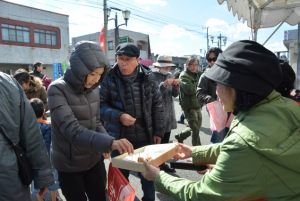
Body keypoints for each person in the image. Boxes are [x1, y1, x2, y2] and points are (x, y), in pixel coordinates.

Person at [141, 40, 300, 200]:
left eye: (218, 84)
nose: (216, 92)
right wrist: (195, 152)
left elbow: (201, 194)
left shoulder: (244, 143)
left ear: (236, 87)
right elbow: (241, 149)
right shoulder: (286, 106)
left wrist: (159, 177)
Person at [47, 41, 134, 201]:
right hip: (69, 163)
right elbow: (71, 129)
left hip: (94, 160)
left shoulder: (94, 90)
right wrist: (109, 143)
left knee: (100, 197)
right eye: (93, 74)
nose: (96, 79)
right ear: (80, 70)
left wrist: (105, 142)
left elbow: (96, 122)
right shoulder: (57, 89)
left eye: (100, 74)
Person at [100, 43, 165, 201]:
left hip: (145, 136)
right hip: (119, 138)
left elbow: (157, 105)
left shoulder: (148, 77)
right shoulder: (109, 77)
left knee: (148, 177)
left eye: (128, 59)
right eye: (120, 58)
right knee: (121, 179)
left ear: (137, 60)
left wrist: (158, 131)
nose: (123, 63)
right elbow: (99, 106)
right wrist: (119, 116)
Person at [0, 72, 54, 201]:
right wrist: (42, 174)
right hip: (10, 175)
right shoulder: (7, 83)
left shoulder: (10, 83)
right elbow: (30, 132)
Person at [30, 98, 60, 201]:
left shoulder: (27, 129)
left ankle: (40, 199)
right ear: (43, 112)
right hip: (50, 160)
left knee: (37, 184)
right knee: (53, 181)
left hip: (35, 163)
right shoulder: (50, 126)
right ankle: (53, 198)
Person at [152, 55, 179, 172]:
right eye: (165, 67)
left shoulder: (171, 75)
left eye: (169, 67)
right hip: (157, 114)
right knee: (156, 142)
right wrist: (163, 85)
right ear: (159, 66)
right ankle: (154, 164)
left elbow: (175, 94)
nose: (167, 69)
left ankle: (162, 164)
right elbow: (153, 94)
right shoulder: (152, 76)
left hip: (168, 113)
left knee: (165, 141)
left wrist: (176, 85)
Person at [196, 47, 228, 143]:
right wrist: (213, 101)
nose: (212, 62)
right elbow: (199, 93)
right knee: (217, 139)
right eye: (210, 59)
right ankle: (214, 157)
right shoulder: (206, 75)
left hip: (231, 110)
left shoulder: (228, 72)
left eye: (215, 59)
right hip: (216, 111)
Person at [175, 56, 203, 146]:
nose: (194, 67)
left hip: (197, 104)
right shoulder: (183, 75)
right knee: (195, 130)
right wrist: (200, 81)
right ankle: (197, 151)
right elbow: (189, 90)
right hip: (189, 106)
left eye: (196, 65)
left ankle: (181, 136)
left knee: (196, 127)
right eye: (192, 65)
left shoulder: (197, 74)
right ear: (187, 65)